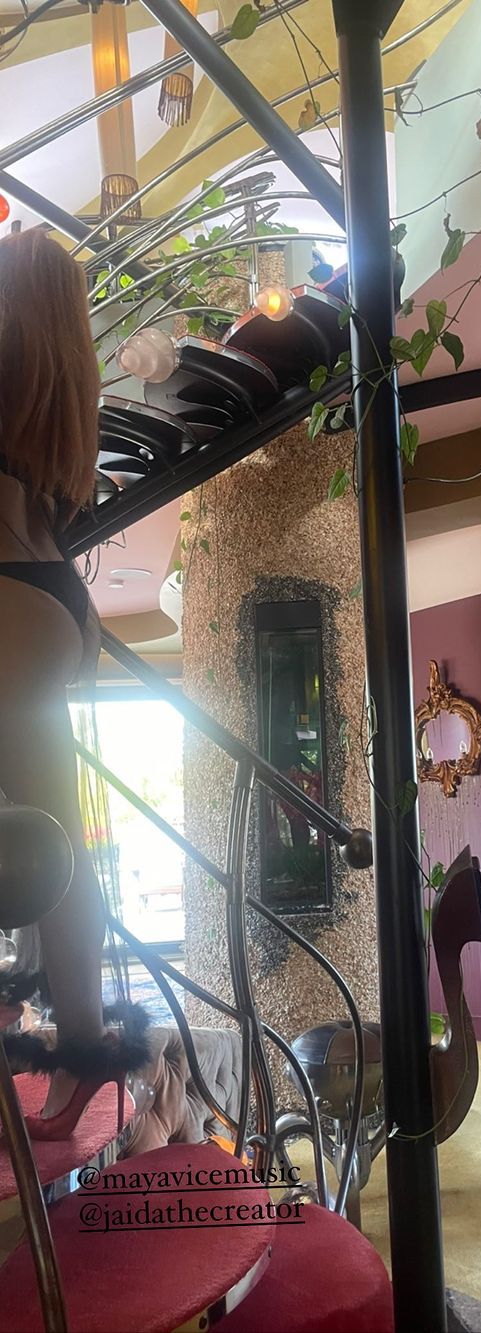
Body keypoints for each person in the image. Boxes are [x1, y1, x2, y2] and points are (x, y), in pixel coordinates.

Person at [0, 229, 148, 1138]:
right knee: (52, 840)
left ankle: (66, 1049)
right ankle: (84, 1051)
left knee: (36, 841)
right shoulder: (56, 394)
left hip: (8, 597)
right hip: (51, 595)